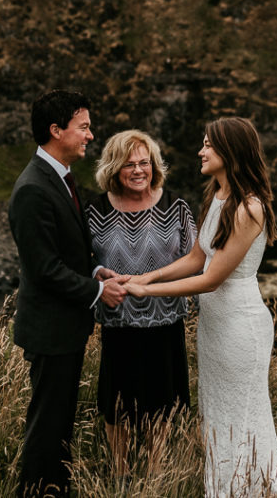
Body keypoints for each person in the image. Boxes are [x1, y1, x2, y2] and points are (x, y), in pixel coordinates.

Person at [124, 117, 277, 497]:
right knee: (217, 410)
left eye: (208, 145)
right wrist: (147, 277)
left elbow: (211, 278)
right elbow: (196, 258)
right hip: (215, 326)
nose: (201, 151)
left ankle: (251, 487)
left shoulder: (249, 208)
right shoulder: (218, 196)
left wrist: (147, 293)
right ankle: (225, 487)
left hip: (241, 326)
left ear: (230, 151)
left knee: (244, 411)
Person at [8, 89, 128, 497]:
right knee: (48, 422)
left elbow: (66, 250)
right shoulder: (32, 189)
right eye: (83, 127)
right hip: (49, 330)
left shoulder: (59, 177)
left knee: (59, 420)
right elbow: (44, 270)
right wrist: (97, 291)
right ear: (56, 130)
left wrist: (94, 268)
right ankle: (38, 491)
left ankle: (54, 488)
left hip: (63, 327)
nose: (90, 136)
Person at [85, 130, 197, 476]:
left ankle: (154, 472)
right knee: (117, 406)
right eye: (129, 164)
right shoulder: (95, 209)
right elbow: (78, 260)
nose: (138, 170)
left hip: (165, 323)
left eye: (144, 163)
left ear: (154, 166)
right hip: (118, 323)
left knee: (160, 405)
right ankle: (119, 473)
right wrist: (98, 272)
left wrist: (156, 284)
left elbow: (195, 258)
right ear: (114, 168)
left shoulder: (176, 207)